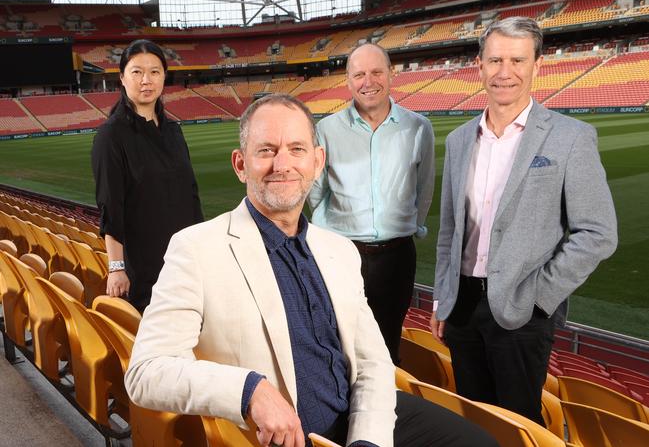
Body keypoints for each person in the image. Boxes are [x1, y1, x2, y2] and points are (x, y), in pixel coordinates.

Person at [124, 94, 497, 447]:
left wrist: (366, 439)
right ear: (241, 165)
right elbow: (146, 372)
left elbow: (372, 360)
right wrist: (250, 390)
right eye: (266, 150)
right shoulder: (196, 248)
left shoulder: (339, 250)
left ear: (318, 162)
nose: (282, 164)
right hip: (288, 434)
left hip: (359, 418)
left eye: (296, 149)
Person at [431, 17, 617, 425]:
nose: (505, 72)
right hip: (461, 307)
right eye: (495, 60)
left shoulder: (570, 137)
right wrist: (443, 297)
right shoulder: (461, 138)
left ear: (537, 66)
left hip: (522, 308)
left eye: (517, 60)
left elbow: (598, 232)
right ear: (479, 65)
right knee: (473, 421)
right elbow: (450, 229)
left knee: (518, 424)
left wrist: (540, 296)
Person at [308, 43, 435, 364]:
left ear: (391, 75)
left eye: (377, 72)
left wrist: (407, 225)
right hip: (342, 255)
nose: (369, 81)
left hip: (397, 257)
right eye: (359, 74)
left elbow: (425, 187)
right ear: (348, 81)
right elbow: (314, 191)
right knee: (339, 345)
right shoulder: (326, 129)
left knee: (388, 345)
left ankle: (386, 412)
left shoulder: (418, 127)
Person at [91, 39, 203, 313]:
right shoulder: (111, 136)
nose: (146, 80)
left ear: (164, 76)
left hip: (187, 261)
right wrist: (116, 269)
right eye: (137, 72)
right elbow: (111, 207)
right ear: (122, 77)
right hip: (146, 267)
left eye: (154, 71)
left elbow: (190, 194)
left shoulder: (174, 132)